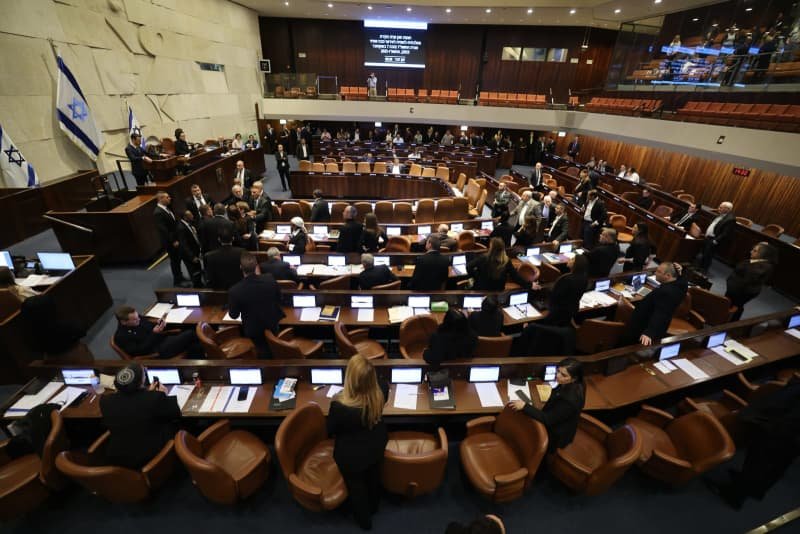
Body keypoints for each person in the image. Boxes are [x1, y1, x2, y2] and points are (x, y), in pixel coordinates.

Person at [706, 378, 800, 510]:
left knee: (762, 460)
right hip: (786, 426)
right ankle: (755, 488)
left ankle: (735, 495)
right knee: (774, 463)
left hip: (783, 430)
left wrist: (771, 427)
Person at [327, 354, 388, 530]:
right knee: (373, 477)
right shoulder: (381, 390)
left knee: (356, 488)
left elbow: (330, 430)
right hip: (376, 445)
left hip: (351, 456)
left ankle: (365, 522)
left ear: (350, 379)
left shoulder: (339, 407)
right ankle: (374, 507)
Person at [99, 363, 181, 470]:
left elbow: (134, 406)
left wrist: (149, 394)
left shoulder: (105, 401)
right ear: (141, 381)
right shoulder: (155, 398)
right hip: (151, 458)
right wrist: (163, 395)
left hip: (118, 458)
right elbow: (175, 414)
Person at [509, 358, 586, 452]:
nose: (557, 376)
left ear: (574, 378)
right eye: (558, 371)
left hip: (555, 436)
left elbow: (548, 419)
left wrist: (524, 406)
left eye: (563, 375)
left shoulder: (569, 400)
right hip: (554, 419)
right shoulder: (574, 383)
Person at [227, 252, 284, 357]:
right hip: (272, 325)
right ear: (256, 266)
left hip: (253, 330)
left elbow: (233, 315)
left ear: (241, 267)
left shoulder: (234, 290)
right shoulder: (270, 278)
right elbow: (279, 299)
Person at [622, 262, 688, 346]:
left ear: (668, 276)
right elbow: (683, 282)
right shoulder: (681, 285)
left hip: (643, 325)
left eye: (659, 271)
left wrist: (649, 332)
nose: (655, 273)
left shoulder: (666, 292)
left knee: (628, 343)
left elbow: (661, 313)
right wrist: (680, 273)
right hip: (659, 323)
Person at [113, 305, 200, 359]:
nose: (139, 319)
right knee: (191, 333)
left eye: (138, 316)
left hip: (162, 338)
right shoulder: (121, 336)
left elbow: (148, 325)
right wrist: (154, 333)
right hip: (158, 351)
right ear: (124, 322)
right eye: (135, 319)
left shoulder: (137, 318)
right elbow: (140, 351)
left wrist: (159, 324)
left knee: (191, 332)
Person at [725, 242, 777, 320]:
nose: (751, 252)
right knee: (726, 306)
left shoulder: (763, 267)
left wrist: (737, 304)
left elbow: (747, 283)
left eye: (755, 251)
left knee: (733, 312)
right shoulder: (753, 261)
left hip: (740, 296)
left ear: (763, 254)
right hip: (733, 292)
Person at [467, 237, 532, 291]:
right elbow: (515, 276)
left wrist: (476, 276)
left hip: (482, 289)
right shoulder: (506, 261)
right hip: (498, 291)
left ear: (491, 248)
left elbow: (468, 267)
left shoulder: (483, 258)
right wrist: (529, 285)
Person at [543, 254, 588, 327]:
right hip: (571, 310)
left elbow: (555, 296)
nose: (569, 259)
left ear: (576, 264)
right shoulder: (584, 279)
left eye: (572, 259)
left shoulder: (566, 279)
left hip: (558, 312)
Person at [153, 191, 185, 286]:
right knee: (175, 260)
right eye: (167, 197)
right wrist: (173, 241)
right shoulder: (158, 213)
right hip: (170, 242)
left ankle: (180, 276)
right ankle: (177, 281)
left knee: (178, 259)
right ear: (160, 199)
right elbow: (164, 230)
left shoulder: (167, 208)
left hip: (175, 238)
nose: (169, 198)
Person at [698, 201, 736, 271]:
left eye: (721, 207)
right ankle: (699, 267)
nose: (718, 208)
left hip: (714, 239)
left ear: (727, 209)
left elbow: (725, 233)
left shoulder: (731, 219)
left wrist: (715, 241)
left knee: (708, 255)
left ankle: (703, 270)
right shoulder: (721, 214)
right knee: (704, 252)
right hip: (709, 237)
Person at [177, 210, 203, 287]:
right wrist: (192, 257)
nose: (192, 216)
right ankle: (197, 287)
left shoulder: (188, 223)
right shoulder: (181, 228)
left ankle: (200, 284)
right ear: (185, 217)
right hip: (189, 255)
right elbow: (184, 245)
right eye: (190, 215)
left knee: (198, 268)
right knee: (194, 272)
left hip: (194, 251)